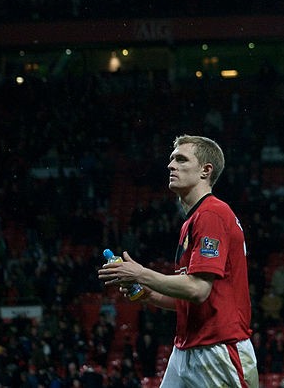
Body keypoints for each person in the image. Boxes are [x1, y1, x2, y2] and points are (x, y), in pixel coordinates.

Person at [98, 134, 258, 387]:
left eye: (181, 159)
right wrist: (147, 293)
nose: (171, 165)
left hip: (218, 349)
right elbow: (188, 299)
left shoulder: (212, 214)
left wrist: (140, 273)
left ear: (206, 171)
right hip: (187, 348)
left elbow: (198, 289)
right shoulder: (193, 221)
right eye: (172, 159)